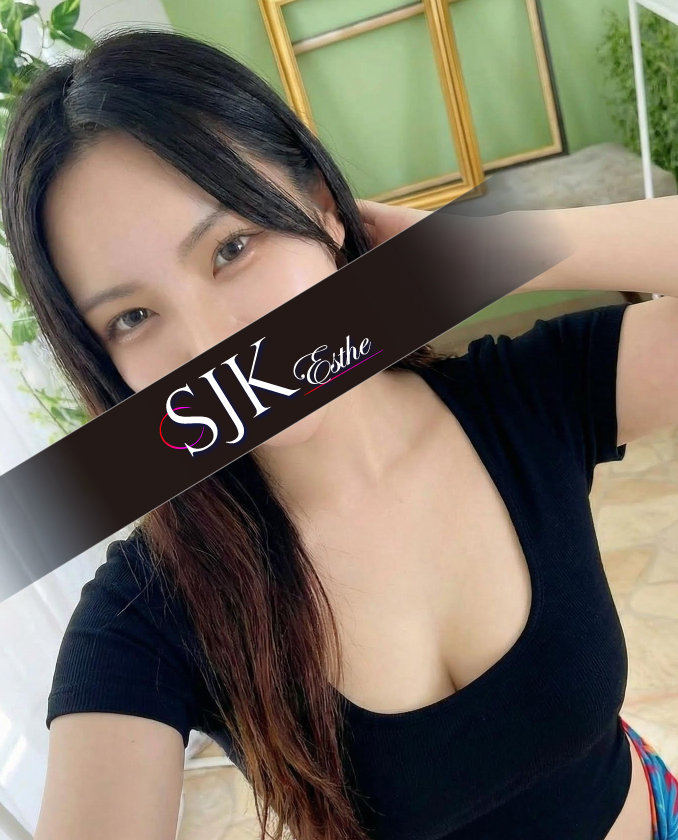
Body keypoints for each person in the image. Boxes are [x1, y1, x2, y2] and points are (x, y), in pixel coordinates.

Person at [0, 26, 677, 840]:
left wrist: (492, 250)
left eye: (232, 247)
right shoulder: (150, 611)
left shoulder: (526, 398)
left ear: (323, 207)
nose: (214, 344)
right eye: (133, 317)